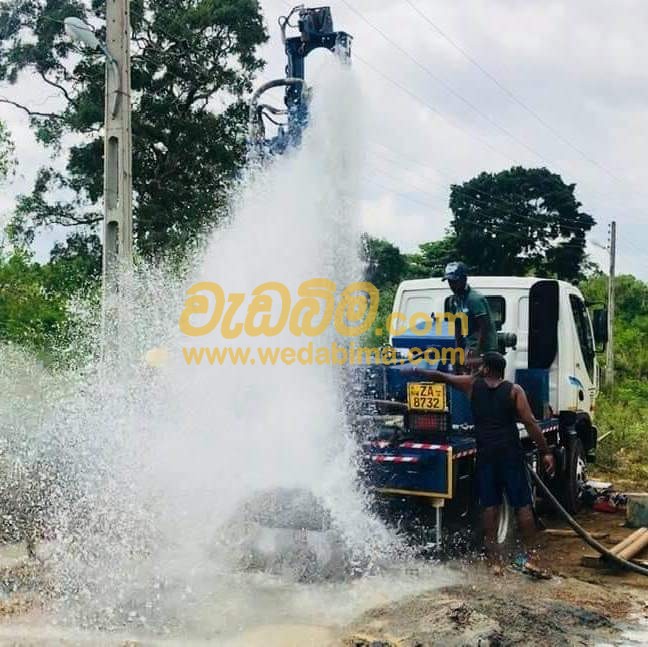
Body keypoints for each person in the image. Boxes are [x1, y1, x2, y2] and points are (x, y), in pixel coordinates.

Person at [409, 351, 556, 577]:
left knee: (490, 507)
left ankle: (494, 563)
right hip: (511, 454)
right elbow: (530, 423)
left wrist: (418, 371)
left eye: (482, 366)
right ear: (503, 370)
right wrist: (546, 452)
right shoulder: (514, 391)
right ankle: (532, 559)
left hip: (486, 454)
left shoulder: (471, 386)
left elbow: (443, 377)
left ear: (486, 368)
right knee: (523, 506)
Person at [443, 262, 497, 372]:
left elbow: (484, 326)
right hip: (470, 345)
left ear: (464, 279)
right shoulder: (453, 301)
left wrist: (477, 351)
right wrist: (458, 351)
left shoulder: (475, 299)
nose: (452, 285)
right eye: (449, 282)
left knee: (478, 381)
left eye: (455, 281)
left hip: (486, 348)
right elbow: (458, 327)